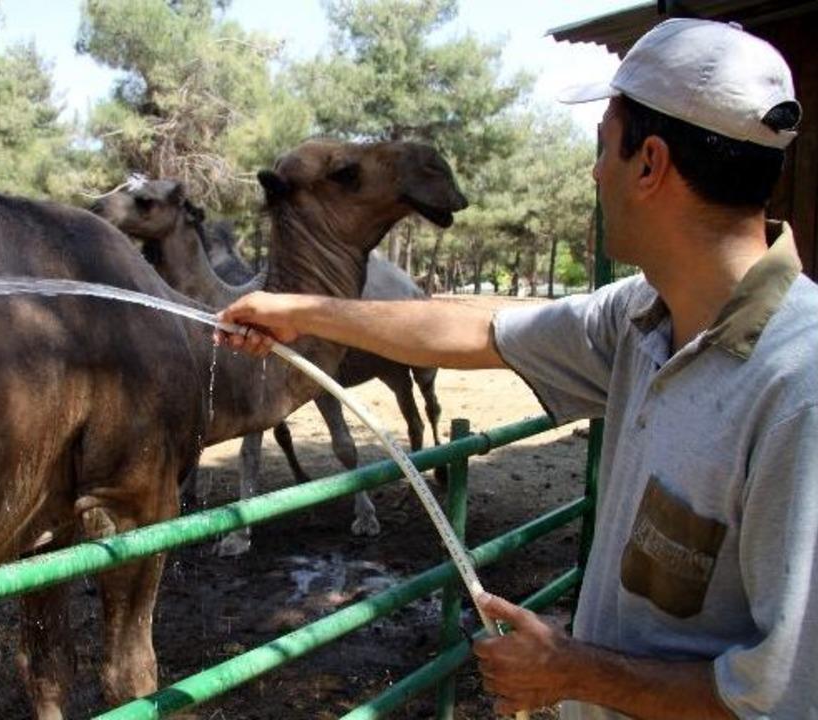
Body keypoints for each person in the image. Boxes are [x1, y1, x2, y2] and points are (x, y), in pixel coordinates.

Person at [216, 18, 816, 720]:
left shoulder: (796, 388)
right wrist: (304, 312)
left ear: (649, 164)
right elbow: (476, 329)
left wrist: (573, 673)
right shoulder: (642, 317)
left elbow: (785, 697)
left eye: (602, 149)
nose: (594, 174)